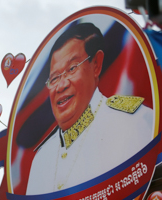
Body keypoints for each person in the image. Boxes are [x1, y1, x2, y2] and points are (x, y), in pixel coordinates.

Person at [26, 23, 153, 195]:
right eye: (54, 78)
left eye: (71, 69)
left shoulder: (135, 121)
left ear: (96, 65)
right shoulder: (41, 159)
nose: (61, 86)